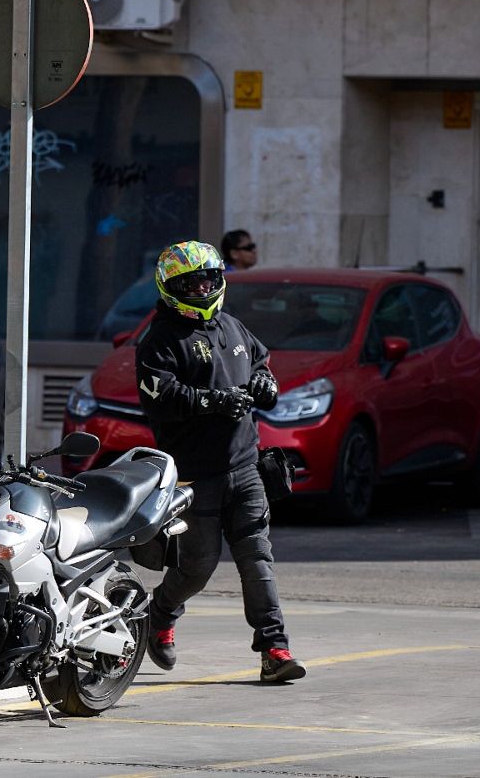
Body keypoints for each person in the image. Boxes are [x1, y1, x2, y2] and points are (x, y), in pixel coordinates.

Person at [135, 240, 306, 683]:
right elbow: (160, 396)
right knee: (198, 566)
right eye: (190, 283)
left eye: (208, 280)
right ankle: (160, 613)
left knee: (257, 558)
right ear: (170, 288)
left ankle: (274, 650)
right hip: (194, 476)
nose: (202, 289)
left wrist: (265, 382)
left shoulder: (232, 326)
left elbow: (261, 363)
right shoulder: (159, 340)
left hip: (245, 467)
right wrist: (211, 401)